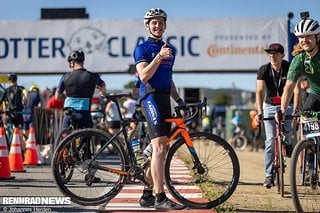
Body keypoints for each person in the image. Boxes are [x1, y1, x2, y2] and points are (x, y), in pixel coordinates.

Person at [133, 8, 185, 210]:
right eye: (153, 23)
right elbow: (144, 76)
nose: (157, 26)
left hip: (165, 98)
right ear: (148, 26)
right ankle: (160, 197)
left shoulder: (171, 49)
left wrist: (178, 99)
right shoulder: (142, 49)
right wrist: (159, 57)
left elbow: (168, 79)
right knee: (160, 147)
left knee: (163, 149)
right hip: (149, 98)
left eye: (160, 23)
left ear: (165, 25)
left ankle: (147, 193)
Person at [254, 43, 297, 189]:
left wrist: (295, 110)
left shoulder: (289, 67)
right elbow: (260, 91)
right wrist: (259, 112)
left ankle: (287, 142)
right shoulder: (264, 70)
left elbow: (296, 90)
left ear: (282, 55)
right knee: (270, 141)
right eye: (270, 54)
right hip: (270, 105)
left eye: (275, 53)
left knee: (287, 132)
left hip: (287, 104)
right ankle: (268, 175)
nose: (272, 56)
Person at [277, 15, 320, 140]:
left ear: (317, 37)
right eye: (301, 36)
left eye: (308, 36)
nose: (304, 40)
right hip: (316, 94)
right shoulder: (299, 60)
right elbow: (289, 87)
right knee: (304, 125)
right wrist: (283, 110)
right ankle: (307, 152)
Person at [56, 50, 106, 130]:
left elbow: (57, 96)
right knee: (86, 138)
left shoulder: (65, 77)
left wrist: (66, 97)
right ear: (83, 62)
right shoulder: (92, 76)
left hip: (69, 113)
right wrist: (101, 91)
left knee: (65, 138)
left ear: (72, 63)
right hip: (84, 114)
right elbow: (103, 85)